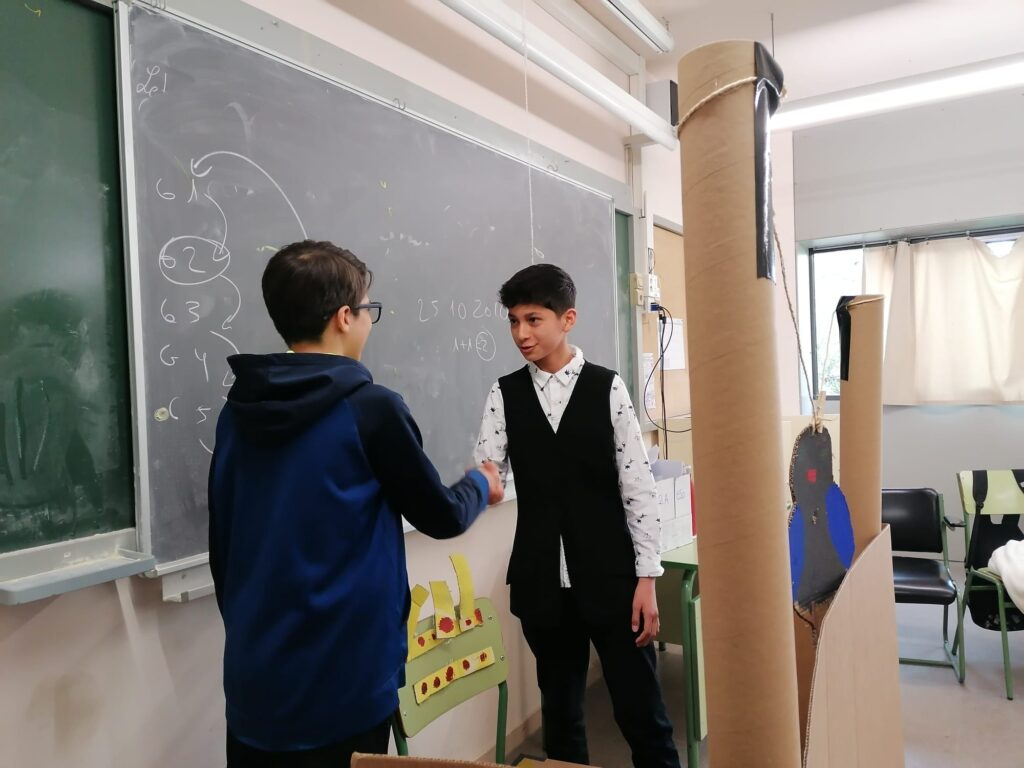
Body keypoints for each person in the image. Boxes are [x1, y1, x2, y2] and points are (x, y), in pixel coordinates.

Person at [208, 239, 503, 767]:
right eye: (369, 309)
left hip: (258, 674)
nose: (369, 321)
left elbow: (222, 539)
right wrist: (481, 483)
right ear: (344, 317)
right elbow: (442, 515)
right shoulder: (371, 410)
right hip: (345, 675)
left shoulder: (238, 411)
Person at [474, 263, 680, 768]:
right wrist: (482, 484)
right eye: (513, 321)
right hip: (543, 583)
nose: (521, 333)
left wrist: (647, 578)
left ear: (567, 319)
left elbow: (638, 487)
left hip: (613, 578)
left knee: (642, 712)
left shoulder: (608, 388)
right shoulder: (504, 394)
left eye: (533, 319)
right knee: (561, 719)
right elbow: (489, 472)